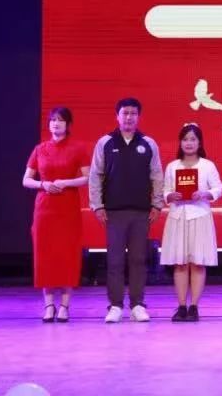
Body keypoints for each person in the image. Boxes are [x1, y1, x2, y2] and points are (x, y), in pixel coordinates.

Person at [89, 97, 164, 324]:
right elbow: (95, 175)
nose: (129, 117)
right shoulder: (105, 143)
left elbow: (157, 175)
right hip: (114, 212)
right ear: (117, 116)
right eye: (125, 113)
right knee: (115, 260)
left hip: (141, 212)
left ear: (138, 117)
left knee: (138, 259)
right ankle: (115, 305)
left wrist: (157, 204)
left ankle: (137, 305)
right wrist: (97, 205)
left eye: (133, 113)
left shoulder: (148, 143)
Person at [22, 106, 91, 323]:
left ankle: (65, 306)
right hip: (45, 209)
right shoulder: (40, 149)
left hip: (67, 208)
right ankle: (49, 305)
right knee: (45, 256)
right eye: (53, 120)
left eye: (60, 120)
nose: (56, 123)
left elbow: (87, 178)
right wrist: (43, 184)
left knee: (67, 255)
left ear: (68, 124)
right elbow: (26, 180)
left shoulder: (78, 148)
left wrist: (66, 182)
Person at [161, 124, 222, 322]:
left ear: (199, 143)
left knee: (197, 263)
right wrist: (170, 195)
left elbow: (219, 188)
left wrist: (205, 193)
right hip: (178, 216)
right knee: (180, 263)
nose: (189, 143)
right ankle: (181, 306)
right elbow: (164, 190)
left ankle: (194, 307)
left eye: (193, 139)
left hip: (200, 216)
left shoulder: (207, 166)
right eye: (185, 139)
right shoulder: (173, 166)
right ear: (180, 142)